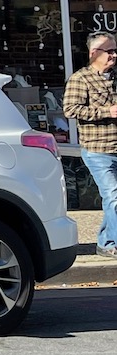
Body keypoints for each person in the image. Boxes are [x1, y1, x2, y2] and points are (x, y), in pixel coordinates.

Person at [62, 31, 117, 257]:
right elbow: (70, 109)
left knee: (113, 198)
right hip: (98, 149)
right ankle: (110, 244)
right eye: (110, 51)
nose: (114, 55)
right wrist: (107, 111)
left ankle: (105, 240)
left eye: (115, 50)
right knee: (113, 196)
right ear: (94, 53)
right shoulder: (80, 79)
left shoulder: (114, 77)